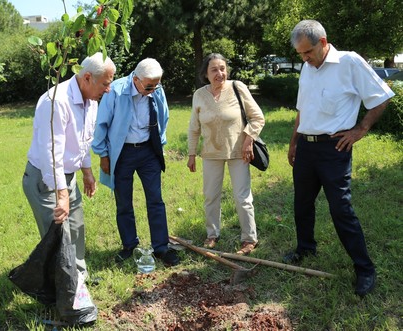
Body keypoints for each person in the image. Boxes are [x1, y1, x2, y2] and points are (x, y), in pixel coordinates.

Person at [284, 20, 395, 296]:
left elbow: (381, 97)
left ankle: (365, 269)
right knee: (302, 204)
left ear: (323, 42)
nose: (304, 59)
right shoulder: (307, 68)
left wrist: (360, 130)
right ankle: (305, 248)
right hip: (306, 149)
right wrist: (294, 141)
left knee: (340, 209)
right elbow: (303, 108)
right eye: (300, 54)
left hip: (334, 149)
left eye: (307, 52)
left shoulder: (350, 62)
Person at [22, 52, 116, 276]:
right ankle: (60, 292)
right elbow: (50, 154)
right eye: (105, 83)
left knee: (75, 230)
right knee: (57, 238)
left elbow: (83, 140)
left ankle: (79, 278)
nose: (108, 90)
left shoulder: (91, 100)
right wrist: (61, 195)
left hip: (68, 176)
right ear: (87, 78)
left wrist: (87, 172)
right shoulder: (55, 101)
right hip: (46, 181)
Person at [92, 58, 180, 267]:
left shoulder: (155, 89)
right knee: (124, 202)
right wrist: (104, 155)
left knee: (156, 200)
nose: (154, 90)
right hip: (123, 154)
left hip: (149, 152)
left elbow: (163, 117)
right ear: (136, 79)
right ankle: (129, 245)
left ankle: (161, 247)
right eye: (149, 86)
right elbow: (101, 124)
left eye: (157, 85)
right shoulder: (115, 90)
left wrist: (160, 144)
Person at [187, 53, 265, 255]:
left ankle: (249, 239)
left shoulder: (237, 87)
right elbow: (194, 128)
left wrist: (248, 140)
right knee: (211, 196)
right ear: (206, 73)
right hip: (211, 153)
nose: (219, 73)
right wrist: (191, 154)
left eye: (222, 68)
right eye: (214, 69)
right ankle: (212, 235)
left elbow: (258, 118)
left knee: (242, 197)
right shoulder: (199, 95)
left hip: (239, 152)